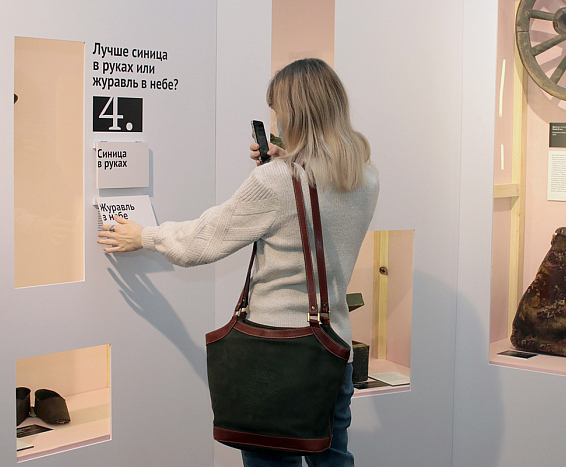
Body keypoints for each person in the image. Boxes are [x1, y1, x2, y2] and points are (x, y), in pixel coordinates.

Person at [97, 58, 379, 467]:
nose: (275, 119)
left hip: (274, 356)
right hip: (332, 355)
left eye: (277, 110)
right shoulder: (365, 177)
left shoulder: (277, 180)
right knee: (333, 458)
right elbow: (313, 211)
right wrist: (286, 160)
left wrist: (145, 236)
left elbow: (203, 241)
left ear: (293, 113)